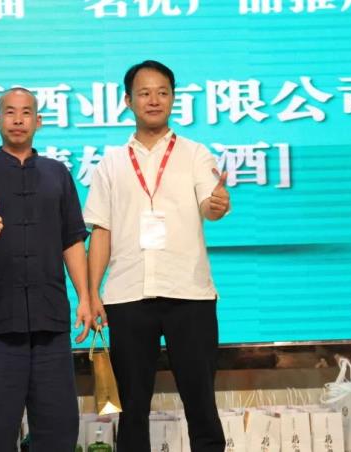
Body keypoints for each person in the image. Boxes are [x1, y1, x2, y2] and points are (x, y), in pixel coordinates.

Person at [84, 60, 230, 452]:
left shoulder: (195, 154)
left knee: (201, 403)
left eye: (162, 92)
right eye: (145, 93)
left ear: (173, 98)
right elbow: (101, 231)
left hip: (189, 295)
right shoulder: (111, 162)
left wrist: (218, 205)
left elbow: (210, 204)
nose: (154, 100)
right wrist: (92, 294)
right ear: (128, 101)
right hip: (127, 296)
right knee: (132, 409)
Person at [0, 87, 95, 451]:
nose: (18, 120)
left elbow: (72, 240)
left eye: (26, 112)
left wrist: (86, 297)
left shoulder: (57, 173)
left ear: (39, 121)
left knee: (58, 432)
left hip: (50, 322)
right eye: (10, 112)